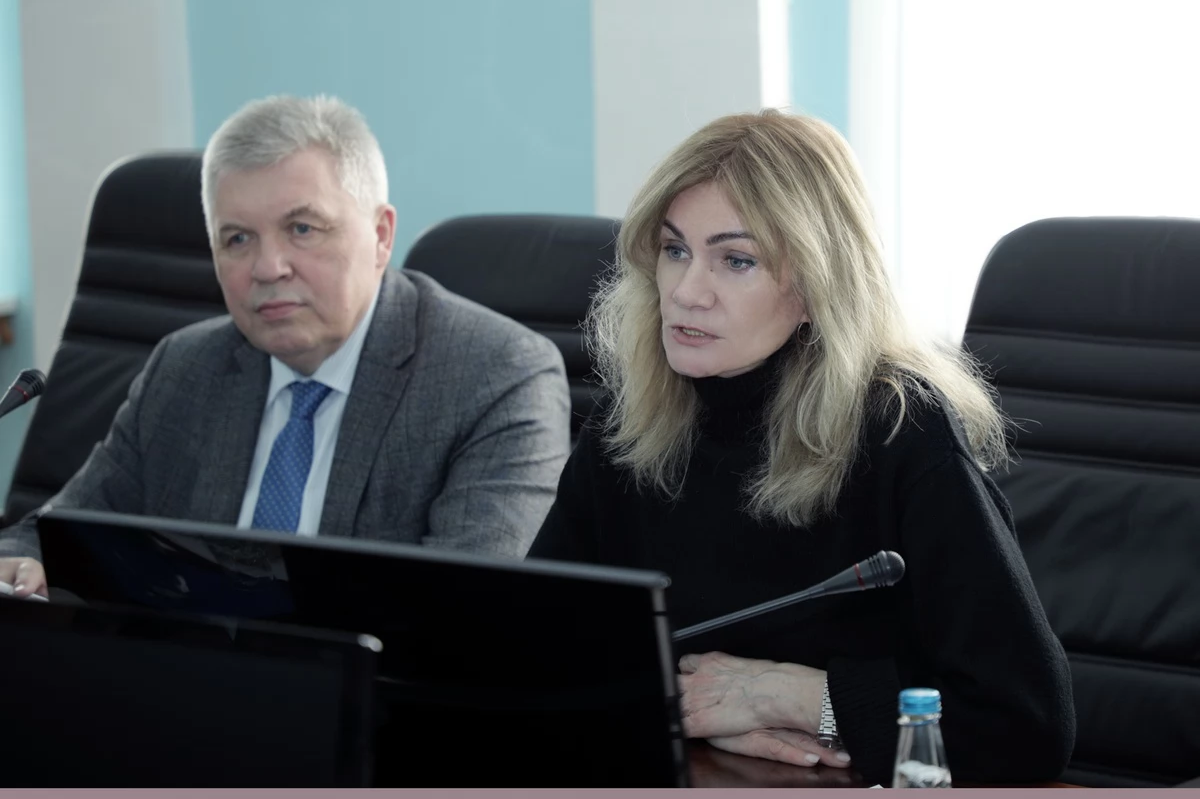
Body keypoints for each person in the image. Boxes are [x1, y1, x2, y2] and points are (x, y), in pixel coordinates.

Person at [528, 109, 1075, 786]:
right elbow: (531, 651)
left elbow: (1024, 724)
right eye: (675, 250)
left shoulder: (901, 429)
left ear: (817, 287)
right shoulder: (633, 417)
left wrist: (798, 699)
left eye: (736, 260)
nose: (687, 292)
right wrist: (697, 708)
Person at [0, 94, 571, 596]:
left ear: (380, 236)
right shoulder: (184, 366)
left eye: (302, 228)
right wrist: (24, 562)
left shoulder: (496, 377)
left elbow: (463, 611)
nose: (268, 267)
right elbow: (50, 532)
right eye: (237, 238)